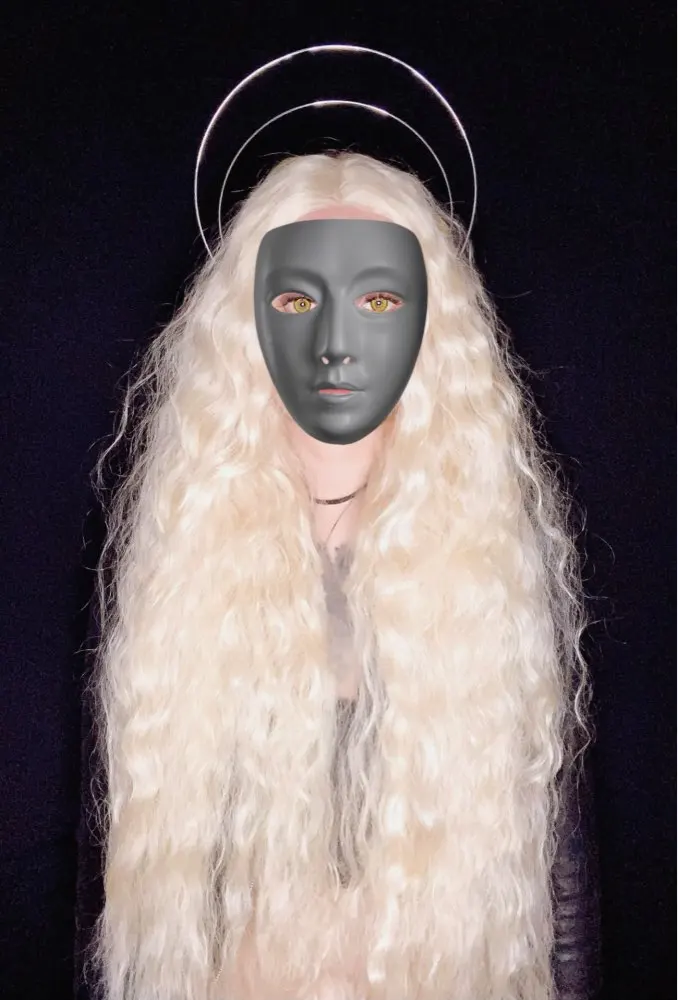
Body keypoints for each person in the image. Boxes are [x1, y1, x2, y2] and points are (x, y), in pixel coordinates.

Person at [78, 151, 599, 999]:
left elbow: (562, 896)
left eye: (378, 301)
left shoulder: (492, 581)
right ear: (245, 324)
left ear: (433, 324)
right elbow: (112, 897)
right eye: (295, 301)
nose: (334, 346)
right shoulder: (174, 578)